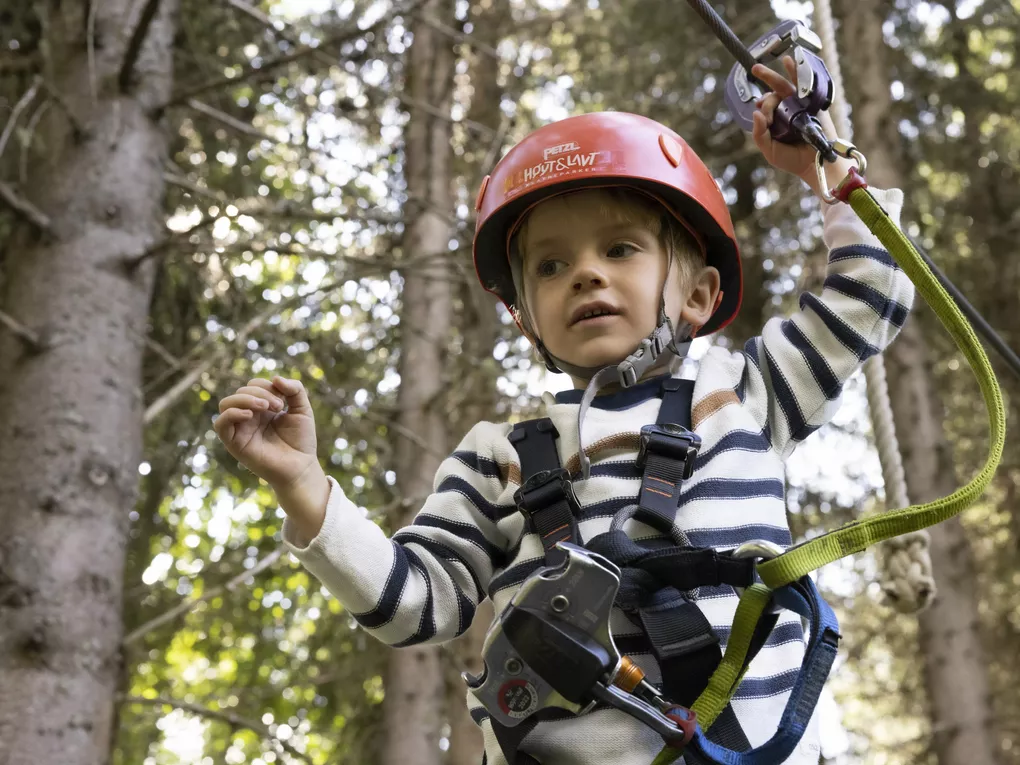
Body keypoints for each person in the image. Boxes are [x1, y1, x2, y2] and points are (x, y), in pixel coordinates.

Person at [214, 59, 912, 764]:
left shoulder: (746, 395)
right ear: (529, 323)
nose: (585, 272)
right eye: (550, 266)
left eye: (620, 249)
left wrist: (823, 169)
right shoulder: (500, 455)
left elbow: (869, 294)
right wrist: (304, 486)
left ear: (698, 296)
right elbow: (415, 600)